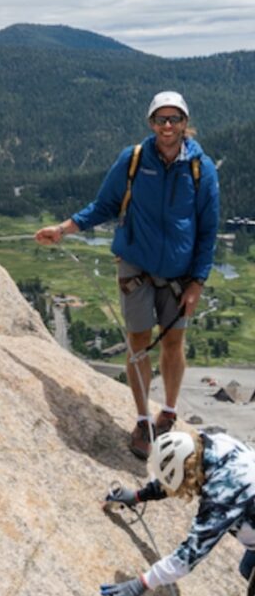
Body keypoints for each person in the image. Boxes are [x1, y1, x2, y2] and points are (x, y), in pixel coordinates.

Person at [35, 91, 219, 459]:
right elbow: (104, 204)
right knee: (137, 343)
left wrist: (197, 282)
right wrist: (64, 229)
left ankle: (168, 413)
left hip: (180, 274)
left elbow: (207, 229)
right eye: (161, 119)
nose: (168, 126)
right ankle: (143, 420)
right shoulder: (133, 160)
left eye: (174, 119)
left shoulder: (201, 168)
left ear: (185, 123)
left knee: (173, 343)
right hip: (135, 267)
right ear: (151, 123)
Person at [100, 430, 255, 596]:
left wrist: (141, 584)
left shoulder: (223, 495)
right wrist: (138, 496)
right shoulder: (208, 444)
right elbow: (178, 470)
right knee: (247, 567)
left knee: (248, 569)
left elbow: (190, 554)